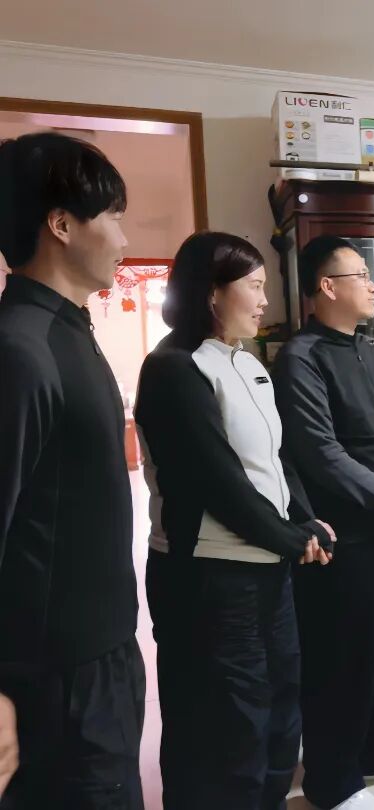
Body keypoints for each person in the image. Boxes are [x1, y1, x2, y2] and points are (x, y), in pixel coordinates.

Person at [135, 231, 334, 810]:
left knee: (278, 708)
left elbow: (275, 459)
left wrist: (307, 521)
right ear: (212, 292)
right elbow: (215, 482)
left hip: (266, 568)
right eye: (254, 286)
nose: (265, 300)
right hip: (210, 576)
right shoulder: (174, 367)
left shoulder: (245, 361)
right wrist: (291, 540)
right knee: (226, 725)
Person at [0, 132, 144, 808]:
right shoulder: (21, 349)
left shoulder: (69, 331)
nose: (123, 237)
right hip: (55, 676)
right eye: (112, 215)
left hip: (101, 652)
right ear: (60, 224)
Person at [273, 236, 374, 810]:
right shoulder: (301, 357)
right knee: (344, 658)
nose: (373, 285)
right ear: (327, 286)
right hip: (346, 535)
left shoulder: (371, 350)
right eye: (361, 275)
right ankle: (334, 780)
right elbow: (319, 451)